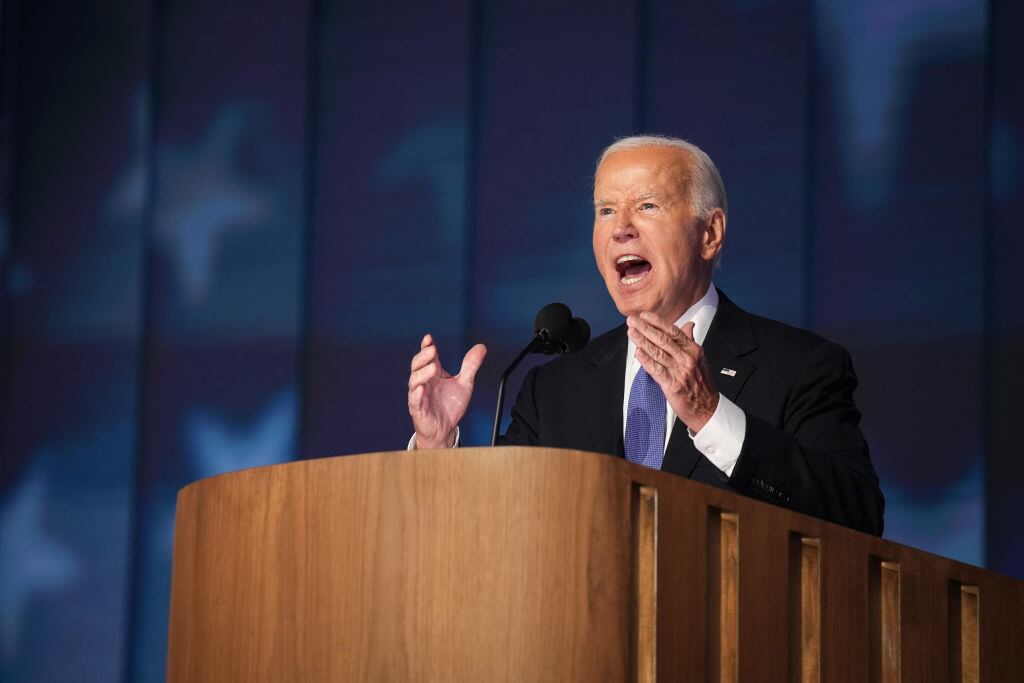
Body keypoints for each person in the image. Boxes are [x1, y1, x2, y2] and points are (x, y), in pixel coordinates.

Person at [407, 135, 884, 535]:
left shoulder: (801, 366)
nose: (621, 230)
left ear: (710, 234)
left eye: (647, 206)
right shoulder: (553, 389)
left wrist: (711, 415)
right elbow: (488, 526)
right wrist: (436, 447)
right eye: (606, 211)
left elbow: (856, 514)